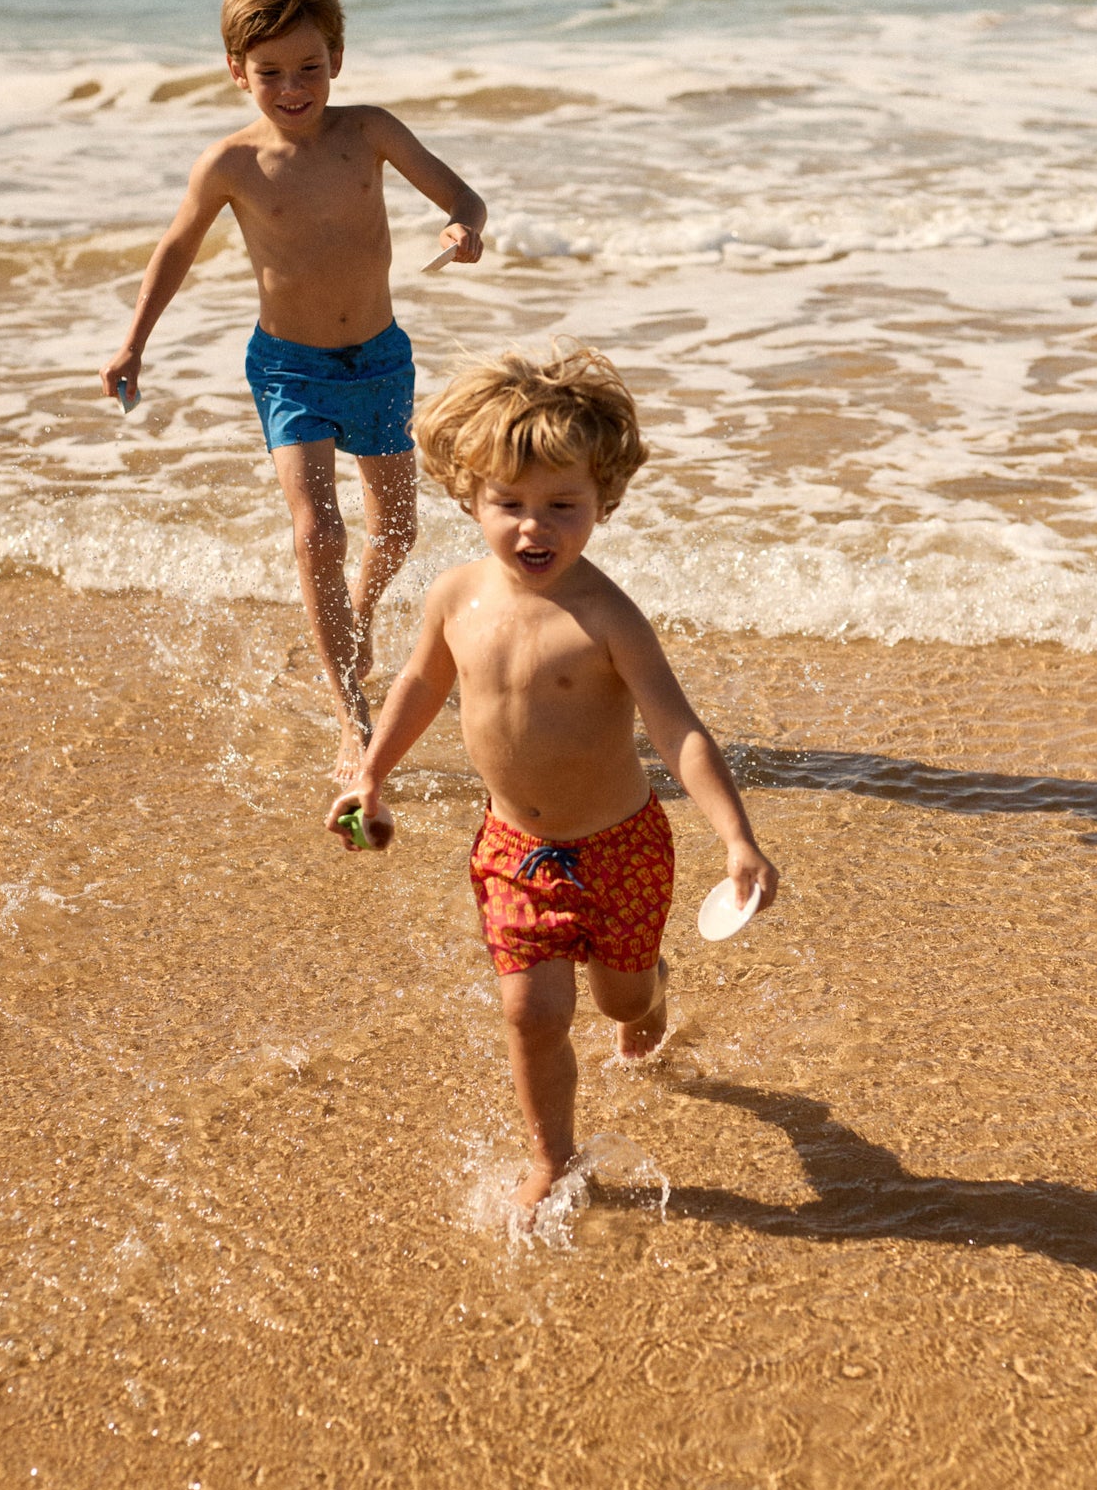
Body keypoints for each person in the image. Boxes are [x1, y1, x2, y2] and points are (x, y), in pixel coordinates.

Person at [326, 344, 779, 1217]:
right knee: (532, 1014)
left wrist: (736, 836)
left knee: (623, 1003)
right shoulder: (454, 597)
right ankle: (552, 1158)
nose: (534, 529)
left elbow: (678, 730)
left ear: (603, 501)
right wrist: (371, 774)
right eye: (510, 504)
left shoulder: (607, 617)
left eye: (562, 506)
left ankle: (649, 986)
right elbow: (420, 684)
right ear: (469, 498)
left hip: (620, 847)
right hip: (513, 850)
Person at [99, 0, 487, 780]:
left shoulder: (369, 131)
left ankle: (358, 616)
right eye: (270, 72)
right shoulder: (230, 164)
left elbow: (462, 193)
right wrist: (134, 340)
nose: (293, 88)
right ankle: (352, 715)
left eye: (309, 67)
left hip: (379, 361)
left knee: (397, 529)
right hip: (289, 369)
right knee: (319, 532)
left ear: (336, 58)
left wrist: (464, 226)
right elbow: (175, 248)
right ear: (236, 71)